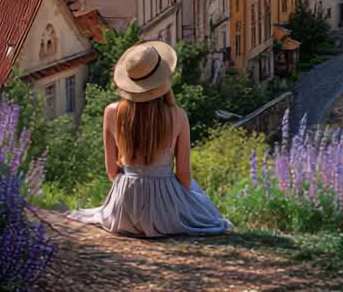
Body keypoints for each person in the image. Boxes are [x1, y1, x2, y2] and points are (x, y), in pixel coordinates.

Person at [67, 41, 232, 237]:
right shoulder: (178, 115)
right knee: (203, 204)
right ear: (163, 80)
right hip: (165, 213)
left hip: (124, 210)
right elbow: (184, 175)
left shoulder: (111, 112)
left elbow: (112, 172)